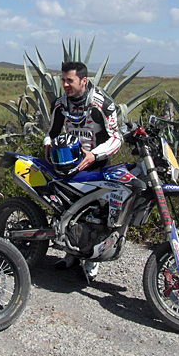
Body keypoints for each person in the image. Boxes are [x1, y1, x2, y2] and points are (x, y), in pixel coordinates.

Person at [43, 61, 122, 281]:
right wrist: (48, 145)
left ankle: (91, 260)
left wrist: (95, 155)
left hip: (96, 164)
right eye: (63, 80)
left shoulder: (102, 104)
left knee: (96, 214)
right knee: (66, 208)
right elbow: (52, 131)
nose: (65, 85)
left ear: (83, 81)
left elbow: (116, 137)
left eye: (70, 80)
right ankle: (70, 252)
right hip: (67, 163)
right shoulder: (60, 104)